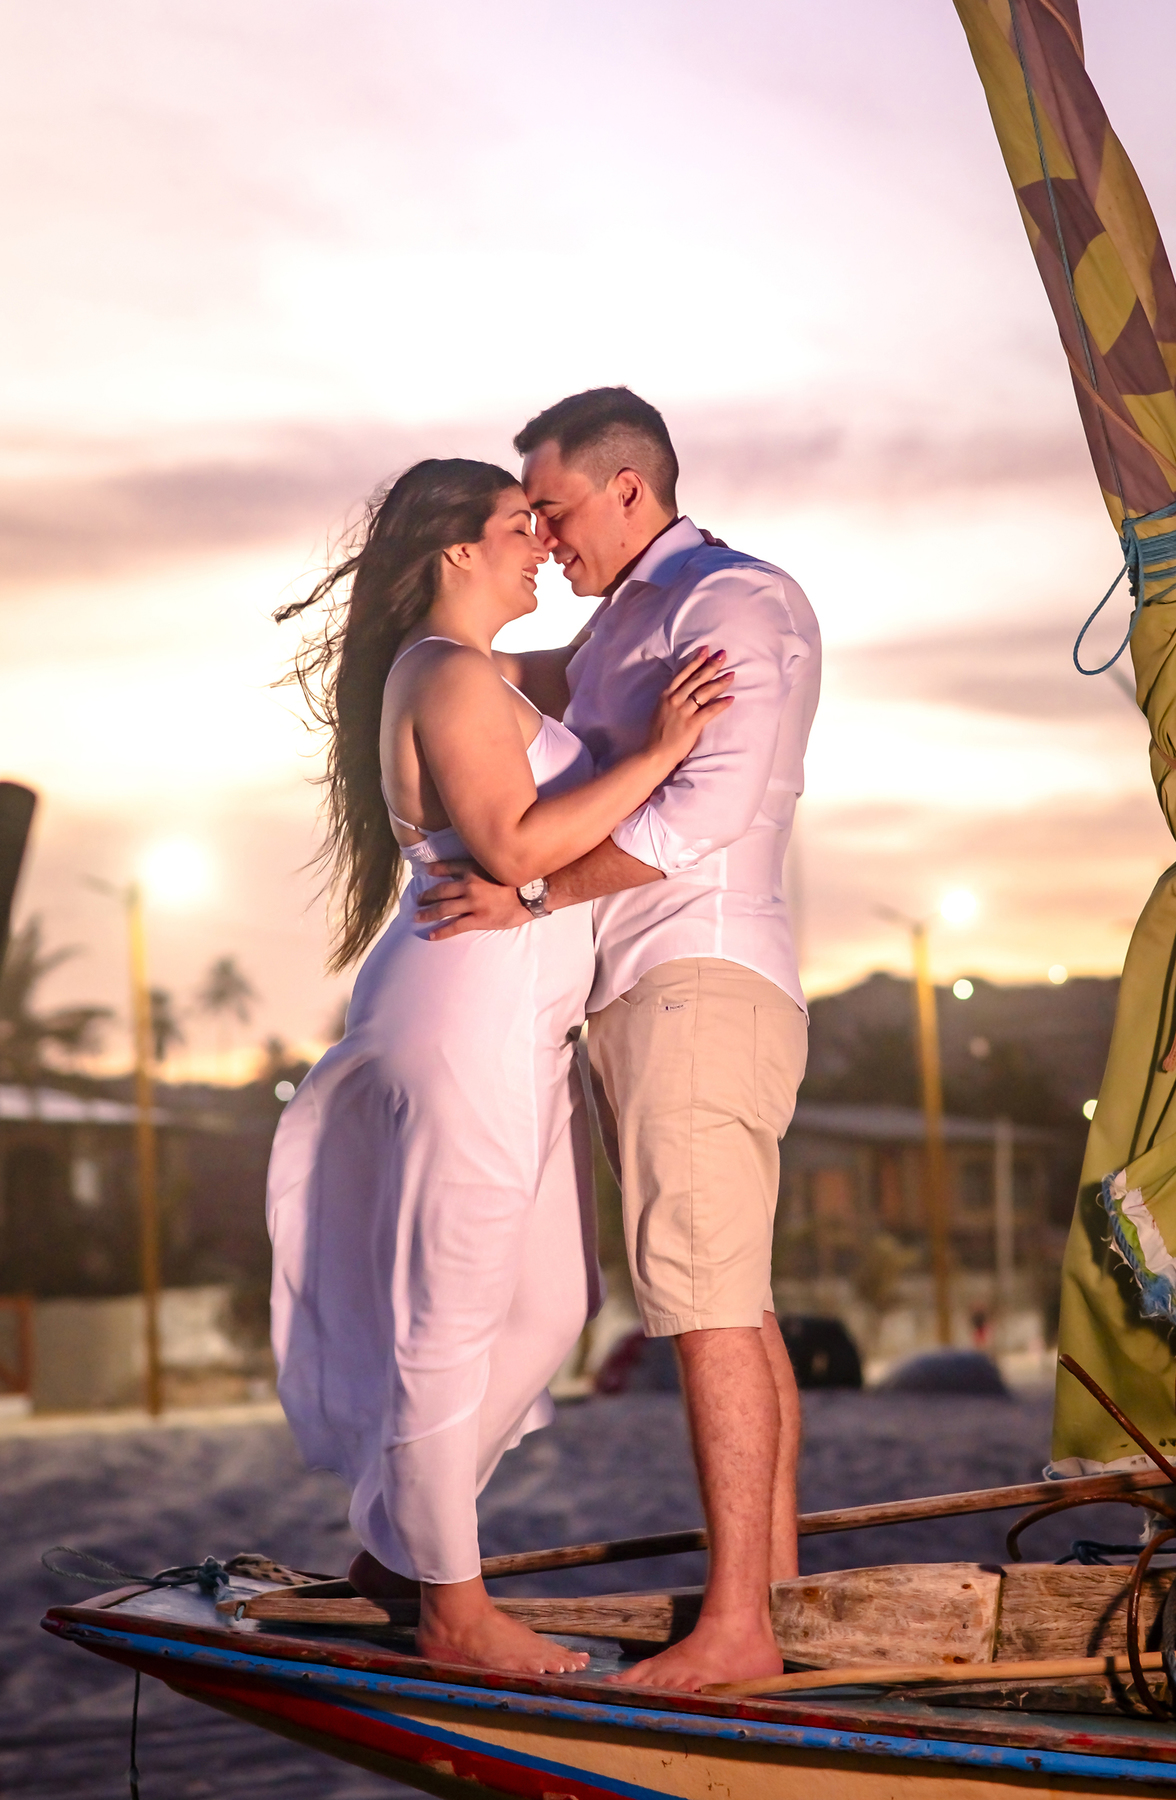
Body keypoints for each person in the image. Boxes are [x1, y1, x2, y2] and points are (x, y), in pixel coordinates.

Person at [266, 457, 730, 1675]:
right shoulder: (444, 673)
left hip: (519, 1027)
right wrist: (662, 754)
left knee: (552, 1307)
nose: (539, 545)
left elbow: (594, 662)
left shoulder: (477, 673)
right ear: (458, 550)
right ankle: (456, 1613)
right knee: (453, 1316)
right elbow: (515, 842)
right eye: (520, 527)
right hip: (462, 1012)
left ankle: (400, 1550)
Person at [414, 390, 822, 1691]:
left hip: (701, 976)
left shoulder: (733, 602)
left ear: (630, 489)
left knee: (698, 1303)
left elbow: (707, 807)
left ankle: (739, 1632)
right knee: (726, 1302)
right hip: (645, 990)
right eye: (524, 517)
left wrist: (533, 891)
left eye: (557, 507)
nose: (544, 531)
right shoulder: (619, 629)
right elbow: (524, 716)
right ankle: (772, 1603)